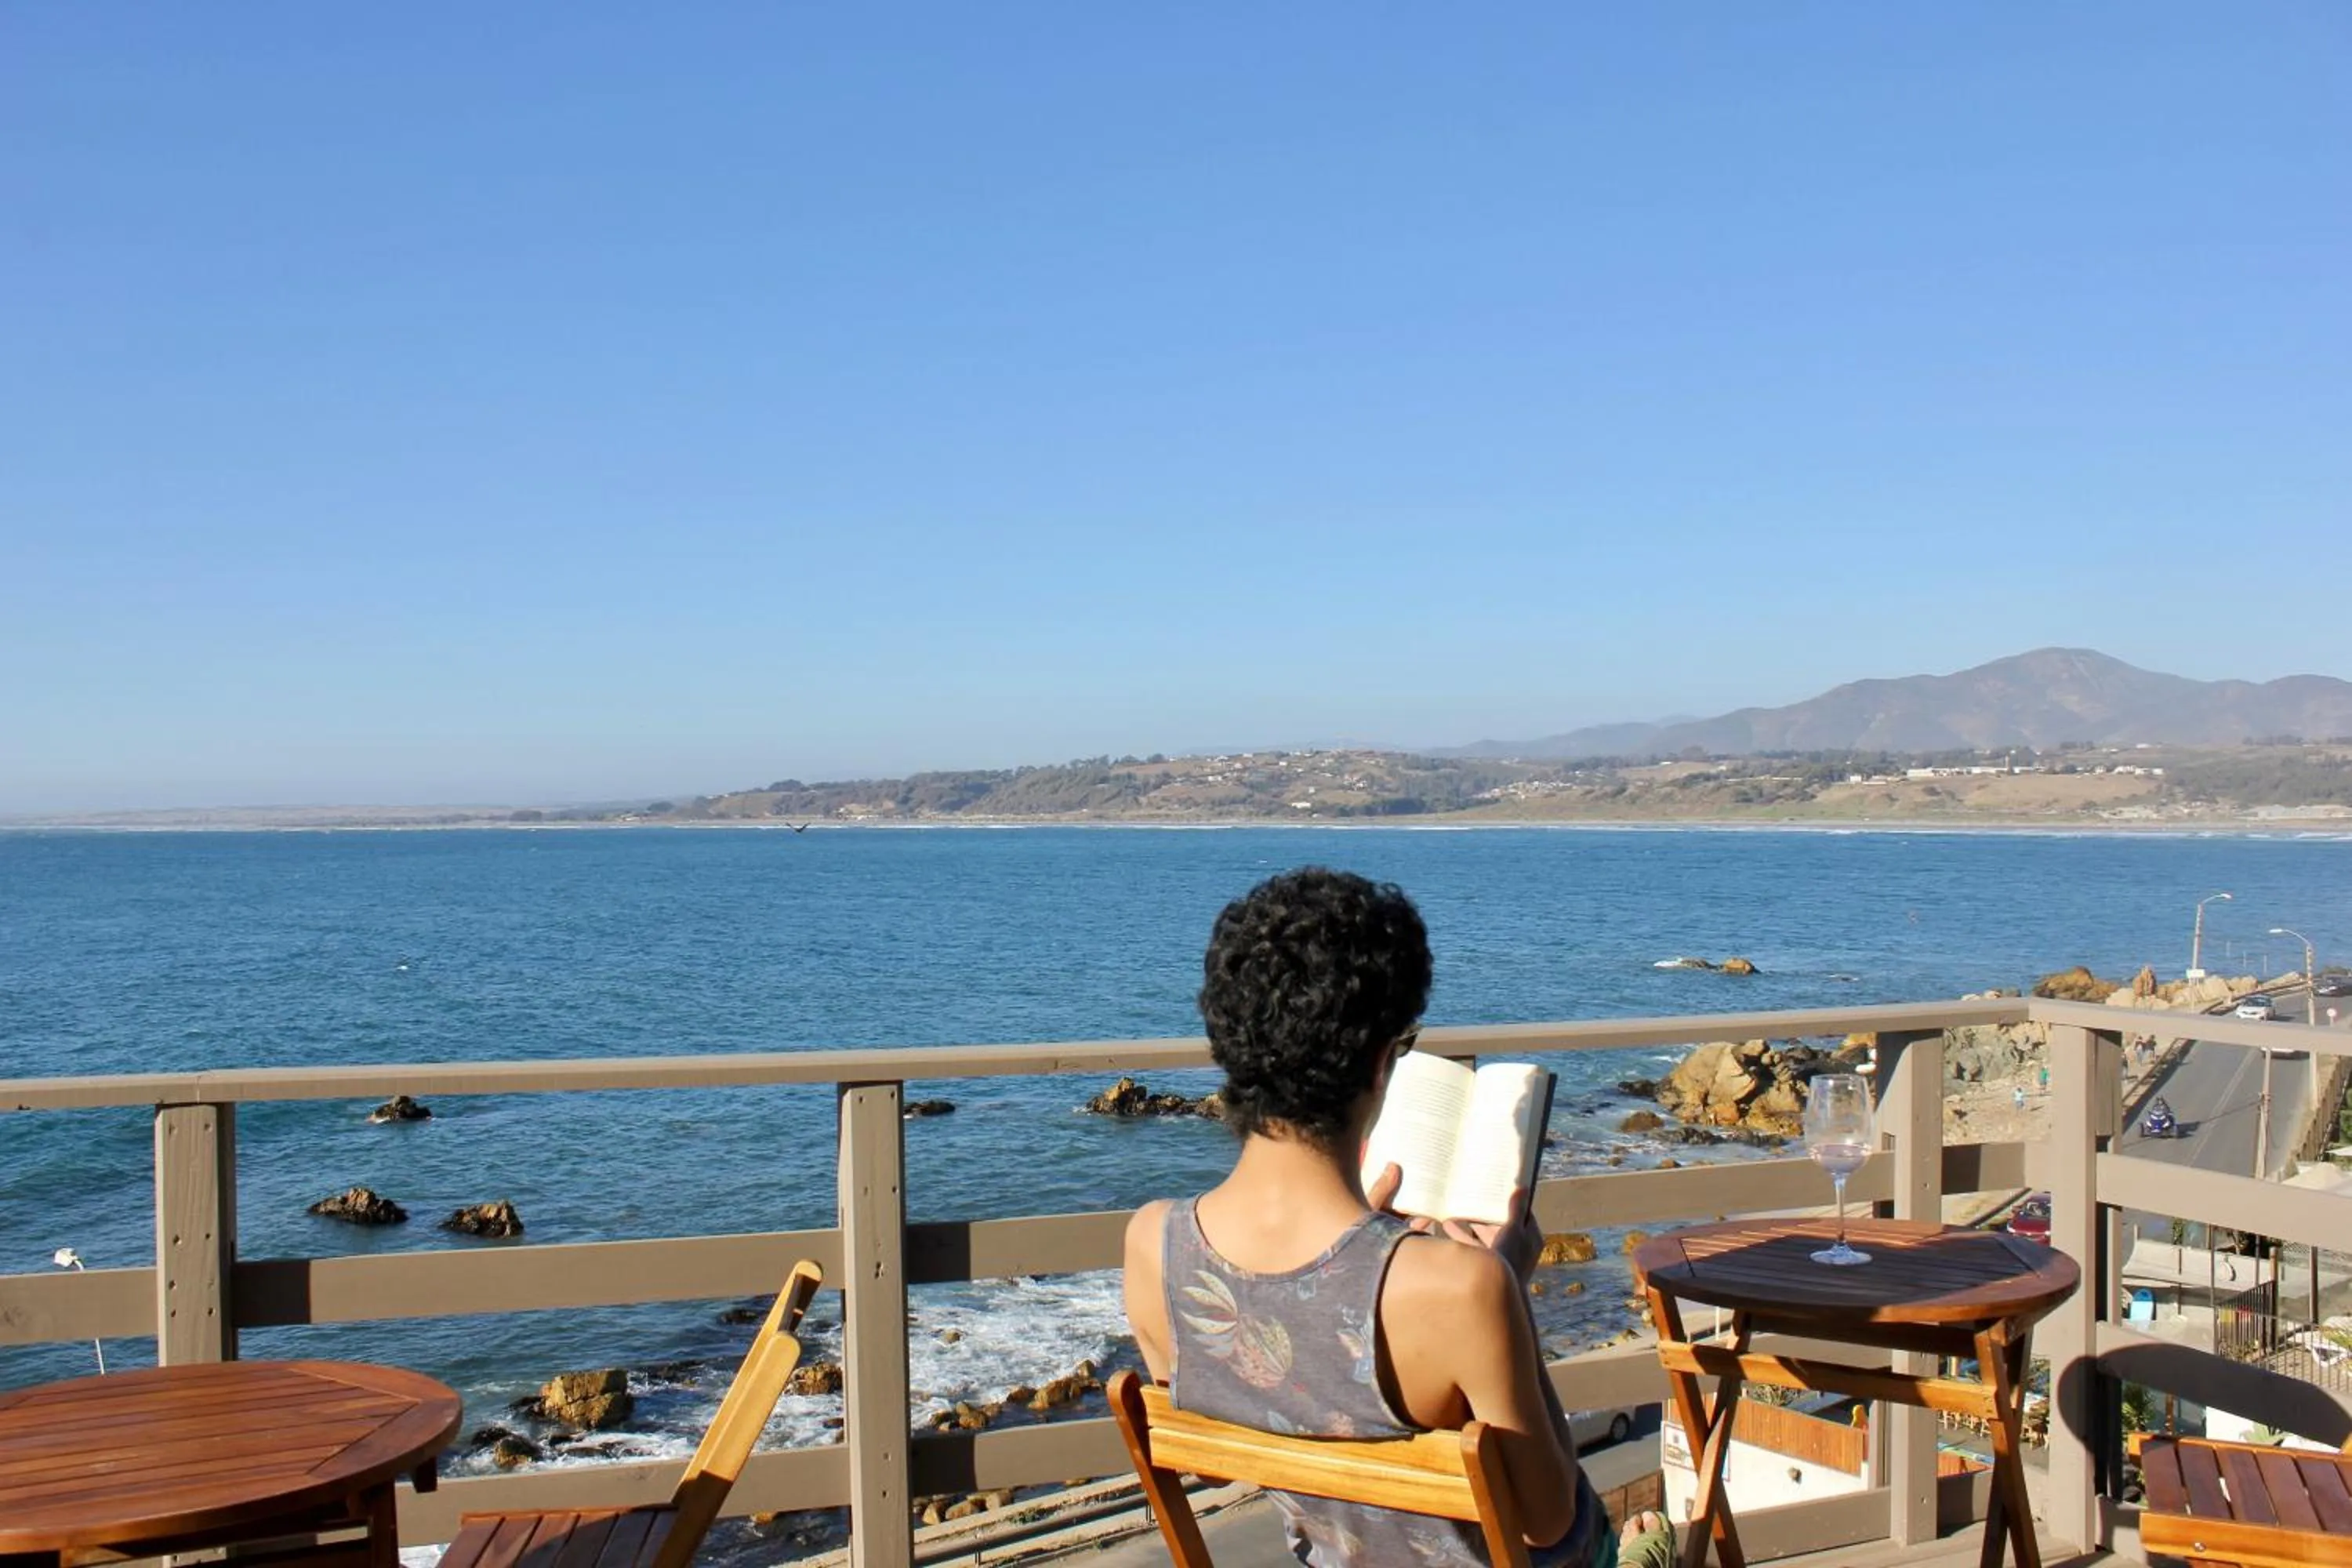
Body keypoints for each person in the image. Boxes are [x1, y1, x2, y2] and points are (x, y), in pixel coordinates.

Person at [1122, 867, 1672, 1568]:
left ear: (1227, 1047)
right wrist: (1506, 1291)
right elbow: (1550, 1522)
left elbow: (1208, 1465)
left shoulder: (1154, 1244)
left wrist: (1354, 1264)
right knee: (1651, 1540)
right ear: (1383, 1063)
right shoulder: (1461, 1287)